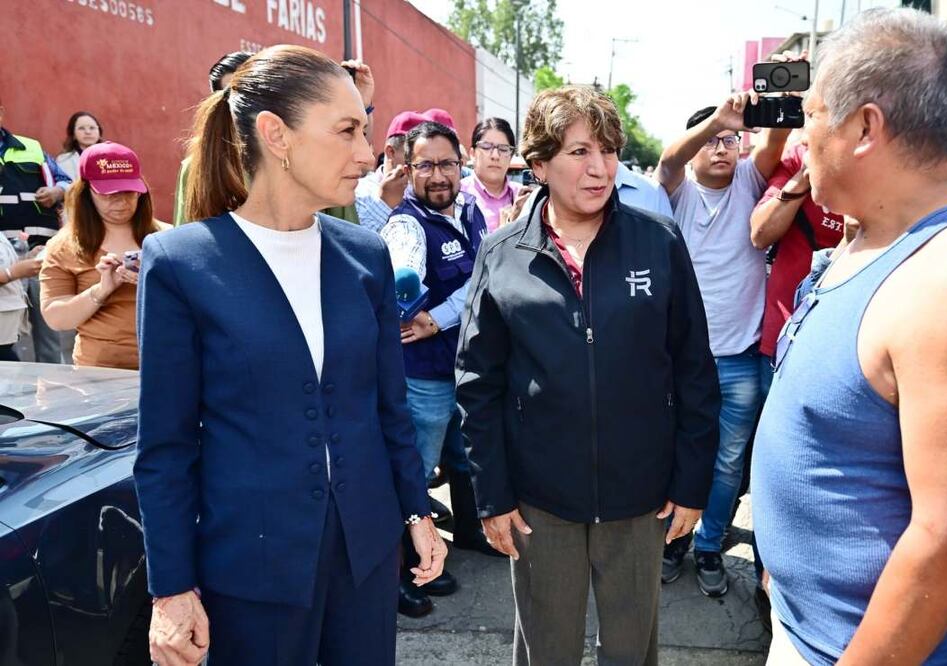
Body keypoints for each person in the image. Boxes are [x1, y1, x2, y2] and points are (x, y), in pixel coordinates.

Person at [751, 9, 947, 663]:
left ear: (863, 126)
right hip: (807, 631)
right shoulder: (868, 235)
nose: (801, 135)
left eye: (811, 113)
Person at [134, 45, 445, 666]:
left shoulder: (365, 255)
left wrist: (417, 511)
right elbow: (166, 447)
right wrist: (170, 587)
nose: (368, 152)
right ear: (276, 134)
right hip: (250, 567)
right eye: (348, 130)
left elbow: (388, 408)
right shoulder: (181, 264)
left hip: (366, 556)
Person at [456, 84, 720, 666]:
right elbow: (478, 384)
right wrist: (492, 496)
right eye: (579, 152)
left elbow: (694, 368)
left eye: (607, 150)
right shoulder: (502, 255)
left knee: (630, 650)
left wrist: (690, 482)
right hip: (539, 504)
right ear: (540, 163)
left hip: (641, 499)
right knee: (546, 650)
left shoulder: (658, 242)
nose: (599, 168)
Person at [654, 84, 792, 595]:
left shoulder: (752, 184)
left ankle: (710, 547)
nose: (722, 148)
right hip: (680, 361)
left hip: (738, 360)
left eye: (733, 139)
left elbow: (776, 141)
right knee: (675, 454)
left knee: (728, 461)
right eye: (714, 139)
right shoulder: (676, 193)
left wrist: (779, 96)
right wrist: (718, 120)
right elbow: (670, 160)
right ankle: (672, 542)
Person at [380, 120, 493, 618]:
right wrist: (409, 295)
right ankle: (402, 572)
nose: (437, 175)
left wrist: (441, 316)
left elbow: (487, 279)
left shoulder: (470, 212)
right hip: (424, 378)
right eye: (424, 165)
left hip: (466, 369)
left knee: (466, 458)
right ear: (408, 171)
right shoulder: (405, 225)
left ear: (460, 165)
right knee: (415, 471)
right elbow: (403, 273)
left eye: (446, 163)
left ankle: (466, 532)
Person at [39, 142, 167, 370]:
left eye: (129, 192)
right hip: (99, 376)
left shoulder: (168, 238)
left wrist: (159, 282)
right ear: (86, 193)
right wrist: (101, 290)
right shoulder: (64, 247)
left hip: (166, 368)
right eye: (109, 194)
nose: (121, 201)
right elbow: (56, 319)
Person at [750, 141, 844, 365]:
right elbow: (760, 234)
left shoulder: (882, 168)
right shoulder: (798, 156)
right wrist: (805, 175)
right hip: (782, 338)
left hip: (841, 347)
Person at [0, 95, 73, 364]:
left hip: (41, 253)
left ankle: (54, 397)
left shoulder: (32, 149)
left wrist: (56, 191)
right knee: (4, 339)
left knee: (50, 336)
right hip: (2, 261)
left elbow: (68, 182)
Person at [173, 51, 253, 226]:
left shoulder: (303, 153)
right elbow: (186, 234)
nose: (244, 106)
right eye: (235, 97)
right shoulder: (198, 165)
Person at [353, 110, 425, 233]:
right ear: (390, 152)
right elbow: (354, 243)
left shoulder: (426, 191)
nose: (421, 163)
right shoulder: (358, 192)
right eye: (416, 154)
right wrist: (384, 203)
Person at [460, 117, 522, 231]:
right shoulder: (458, 194)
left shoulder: (522, 196)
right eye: (486, 147)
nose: (495, 156)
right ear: (472, 154)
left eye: (503, 149)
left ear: (511, 156)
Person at [0, 237, 33, 361]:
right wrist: (11, 273)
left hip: (7, 321)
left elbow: (4, 264)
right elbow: (8, 271)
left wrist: (28, 257)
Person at [55, 111, 104, 181]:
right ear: (73, 135)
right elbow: (67, 186)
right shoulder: (64, 159)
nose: (88, 132)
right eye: (81, 128)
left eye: (92, 128)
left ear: (99, 133)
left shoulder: (111, 157)